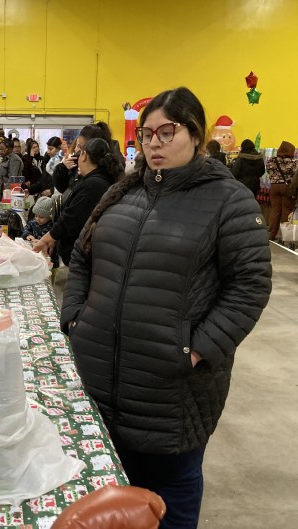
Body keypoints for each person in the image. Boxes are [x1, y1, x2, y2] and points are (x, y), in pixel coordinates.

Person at [61, 87, 271, 529]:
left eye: (167, 132)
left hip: (172, 395)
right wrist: (76, 318)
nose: (154, 143)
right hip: (100, 382)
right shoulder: (122, 193)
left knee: (168, 500)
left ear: (195, 135)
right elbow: (83, 256)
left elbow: (250, 285)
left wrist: (195, 349)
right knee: (108, 503)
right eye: (148, 134)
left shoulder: (227, 201)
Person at [33, 137, 121, 266]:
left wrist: (48, 238)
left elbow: (72, 217)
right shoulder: (91, 179)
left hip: (83, 258)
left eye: (79, 149)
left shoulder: (94, 184)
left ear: (84, 155)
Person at [54, 123, 125, 195]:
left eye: (80, 147)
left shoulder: (96, 181)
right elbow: (66, 189)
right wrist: (62, 169)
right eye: (77, 146)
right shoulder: (77, 161)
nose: (78, 151)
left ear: (94, 145)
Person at [265, 140, 298, 240]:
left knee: (275, 210)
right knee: (286, 210)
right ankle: (285, 236)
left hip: (274, 187)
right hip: (287, 187)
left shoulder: (271, 160)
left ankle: (271, 233)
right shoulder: (294, 162)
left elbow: (268, 170)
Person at [0, 138, 23, 202]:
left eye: (2, 149)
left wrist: (5, 196)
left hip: (8, 194)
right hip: (0, 190)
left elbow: (12, 179)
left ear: (10, 149)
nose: (0, 151)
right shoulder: (4, 158)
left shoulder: (15, 160)